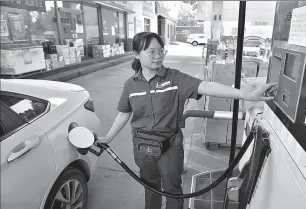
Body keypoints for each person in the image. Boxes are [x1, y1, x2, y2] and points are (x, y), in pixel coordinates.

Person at [97, 32, 277, 209]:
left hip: (169, 146)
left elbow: (207, 86)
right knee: (150, 188)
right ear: (136, 54)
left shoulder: (175, 78)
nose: (158, 56)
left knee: (172, 191)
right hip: (142, 147)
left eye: (161, 51)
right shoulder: (131, 85)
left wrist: (245, 94)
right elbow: (124, 113)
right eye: (151, 52)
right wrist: (108, 138)